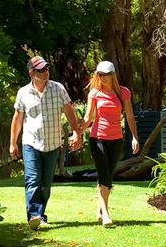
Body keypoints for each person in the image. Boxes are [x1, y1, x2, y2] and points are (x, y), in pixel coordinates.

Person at [9, 55, 82, 230]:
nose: (45, 72)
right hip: (31, 143)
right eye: (41, 70)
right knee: (32, 179)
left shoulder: (58, 89)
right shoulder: (23, 93)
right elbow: (18, 119)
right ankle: (34, 215)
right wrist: (13, 143)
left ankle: (41, 215)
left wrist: (76, 133)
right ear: (31, 73)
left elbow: (69, 112)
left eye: (46, 69)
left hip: (52, 144)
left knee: (45, 185)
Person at [80, 60, 139, 226]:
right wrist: (77, 132)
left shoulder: (123, 93)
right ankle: (105, 214)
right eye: (99, 75)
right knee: (104, 174)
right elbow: (88, 117)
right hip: (97, 138)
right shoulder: (94, 93)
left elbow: (129, 116)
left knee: (108, 176)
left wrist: (134, 137)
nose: (102, 78)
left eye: (105, 75)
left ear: (112, 75)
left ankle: (100, 208)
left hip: (116, 140)